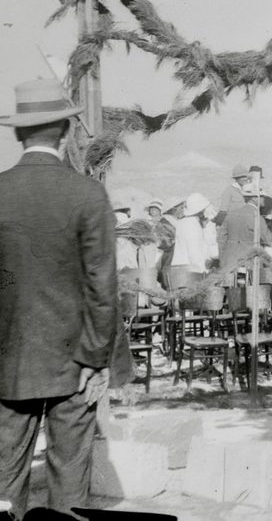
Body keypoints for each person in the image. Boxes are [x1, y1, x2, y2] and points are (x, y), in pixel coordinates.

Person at [0, 80, 117, 518]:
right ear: (66, 131)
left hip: (9, 362)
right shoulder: (87, 194)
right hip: (75, 364)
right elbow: (102, 287)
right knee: (69, 476)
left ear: (17, 133)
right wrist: (95, 359)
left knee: (3, 473)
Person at [169, 192, 212, 284]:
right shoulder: (193, 224)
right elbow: (194, 252)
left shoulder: (183, 222)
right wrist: (203, 271)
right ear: (200, 210)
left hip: (179, 269)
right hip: (190, 272)